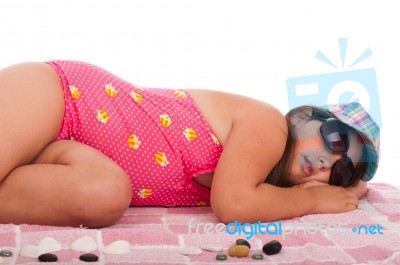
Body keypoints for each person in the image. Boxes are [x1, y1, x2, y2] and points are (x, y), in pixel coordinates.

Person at [0, 61, 380, 228]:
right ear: (302, 118)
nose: (328, 162)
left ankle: (34, 159)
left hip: (72, 155)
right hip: (62, 96)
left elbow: (256, 198)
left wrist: (349, 189)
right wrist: (314, 201)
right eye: (335, 139)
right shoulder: (269, 127)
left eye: (342, 170)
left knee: (104, 197)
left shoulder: (263, 185)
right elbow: (233, 206)